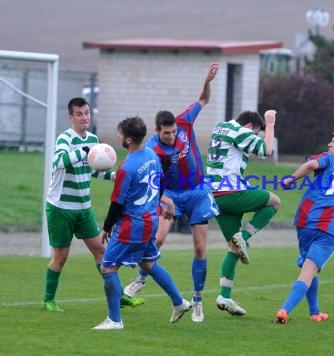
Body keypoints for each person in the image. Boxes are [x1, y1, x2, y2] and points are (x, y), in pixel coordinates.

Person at [122, 63, 220, 323]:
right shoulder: (153, 150)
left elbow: (204, 99)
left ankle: (198, 300)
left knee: (200, 248)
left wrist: (207, 80)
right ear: (157, 131)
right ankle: (141, 278)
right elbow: (154, 183)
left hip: (198, 192)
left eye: (174, 132)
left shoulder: (184, 121)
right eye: (166, 133)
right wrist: (164, 199)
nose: (171, 136)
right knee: (159, 238)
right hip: (171, 195)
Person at [42, 97, 142, 312]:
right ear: (71, 117)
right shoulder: (65, 139)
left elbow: (93, 169)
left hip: (83, 208)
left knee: (101, 251)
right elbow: (58, 162)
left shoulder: (94, 139)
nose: (84, 117)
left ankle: (119, 296)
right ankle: (48, 300)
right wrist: (85, 150)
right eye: (79, 114)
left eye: (86, 112)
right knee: (60, 257)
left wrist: (114, 176)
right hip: (61, 208)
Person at [93, 116, 191, 330]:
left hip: (132, 224)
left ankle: (114, 320)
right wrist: (158, 204)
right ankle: (179, 302)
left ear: (127, 139)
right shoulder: (151, 155)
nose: (118, 136)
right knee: (148, 263)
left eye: (120, 133)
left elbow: (117, 203)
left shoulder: (126, 167)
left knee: (108, 268)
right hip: (151, 220)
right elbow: (161, 182)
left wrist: (107, 227)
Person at [274, 129, 334, 324]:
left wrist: (291, 178)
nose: (330, 144)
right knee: (308, 270)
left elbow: (312, 164)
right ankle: (284, 310)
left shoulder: (329, 158)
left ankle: (315, 312)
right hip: (329, 229)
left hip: (305, 221)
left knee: (309, 267)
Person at [206, 109, 280, 316]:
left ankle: (224, 296)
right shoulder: (241, 131)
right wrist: (270, 123)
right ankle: (245, 237)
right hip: (229, 190)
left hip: (213, 195)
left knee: (233, 248)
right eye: (256, 133)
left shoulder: (221, 127)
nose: (254, 136)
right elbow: (266, 150)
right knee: (274, 202)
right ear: (249, 127)